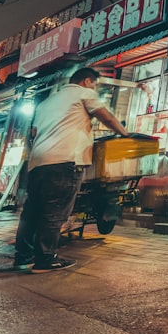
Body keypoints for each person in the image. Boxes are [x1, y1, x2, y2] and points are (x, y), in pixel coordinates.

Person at [13, 67, 129, 273]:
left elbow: (33, 133)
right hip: (65, 161)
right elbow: (107, 118)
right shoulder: (84, 93)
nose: (95, 88)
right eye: (95, 84)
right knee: (54, 211)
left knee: (31, 212)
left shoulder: (46, 103)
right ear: (86, 81)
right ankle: (45, 259)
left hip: (38, 163)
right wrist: (125, 134)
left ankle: (23, 256)